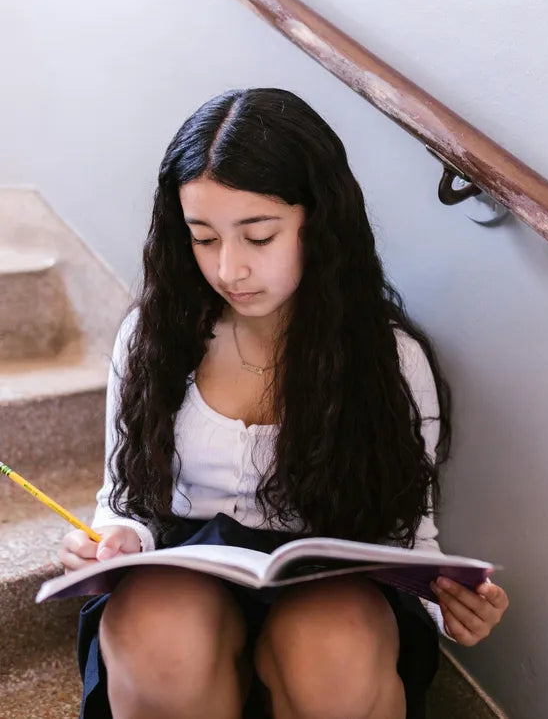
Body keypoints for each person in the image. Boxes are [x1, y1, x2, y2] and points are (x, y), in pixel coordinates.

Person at [59, 88, 508, 719]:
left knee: (332, 640)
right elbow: (123, 498)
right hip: (183, 574)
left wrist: (449, 603)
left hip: (330, 590)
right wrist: (110, 539)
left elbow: (410, 536)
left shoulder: (388, 359)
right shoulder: (153, 337)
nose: (230, 268)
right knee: (157, 623)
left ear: (317, 223)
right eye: (203, 238)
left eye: (259, 236)